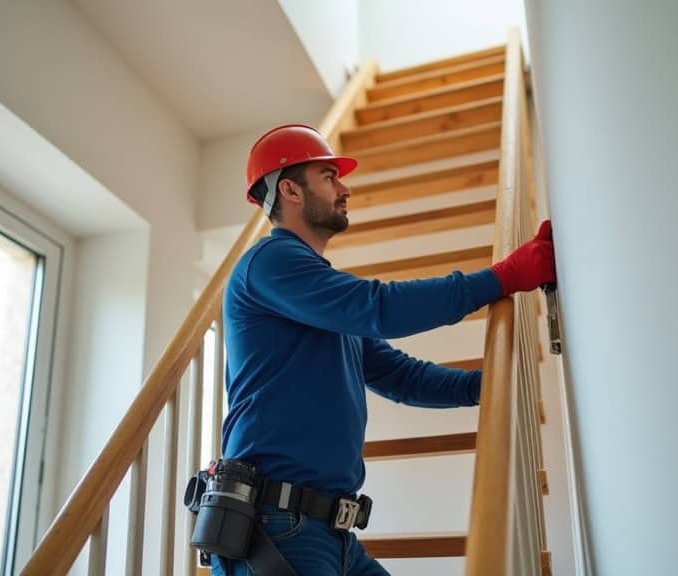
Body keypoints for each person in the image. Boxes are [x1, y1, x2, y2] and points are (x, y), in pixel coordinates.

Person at [210, 124, 555, 576]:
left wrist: (488, 385)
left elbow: (401, 376)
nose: (344, 188)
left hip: (327, 533)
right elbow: (382, 307)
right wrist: (502, 278)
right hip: (276, 528)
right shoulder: (270, 263)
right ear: (290, 190)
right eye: (329, 177)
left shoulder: (318, 294)